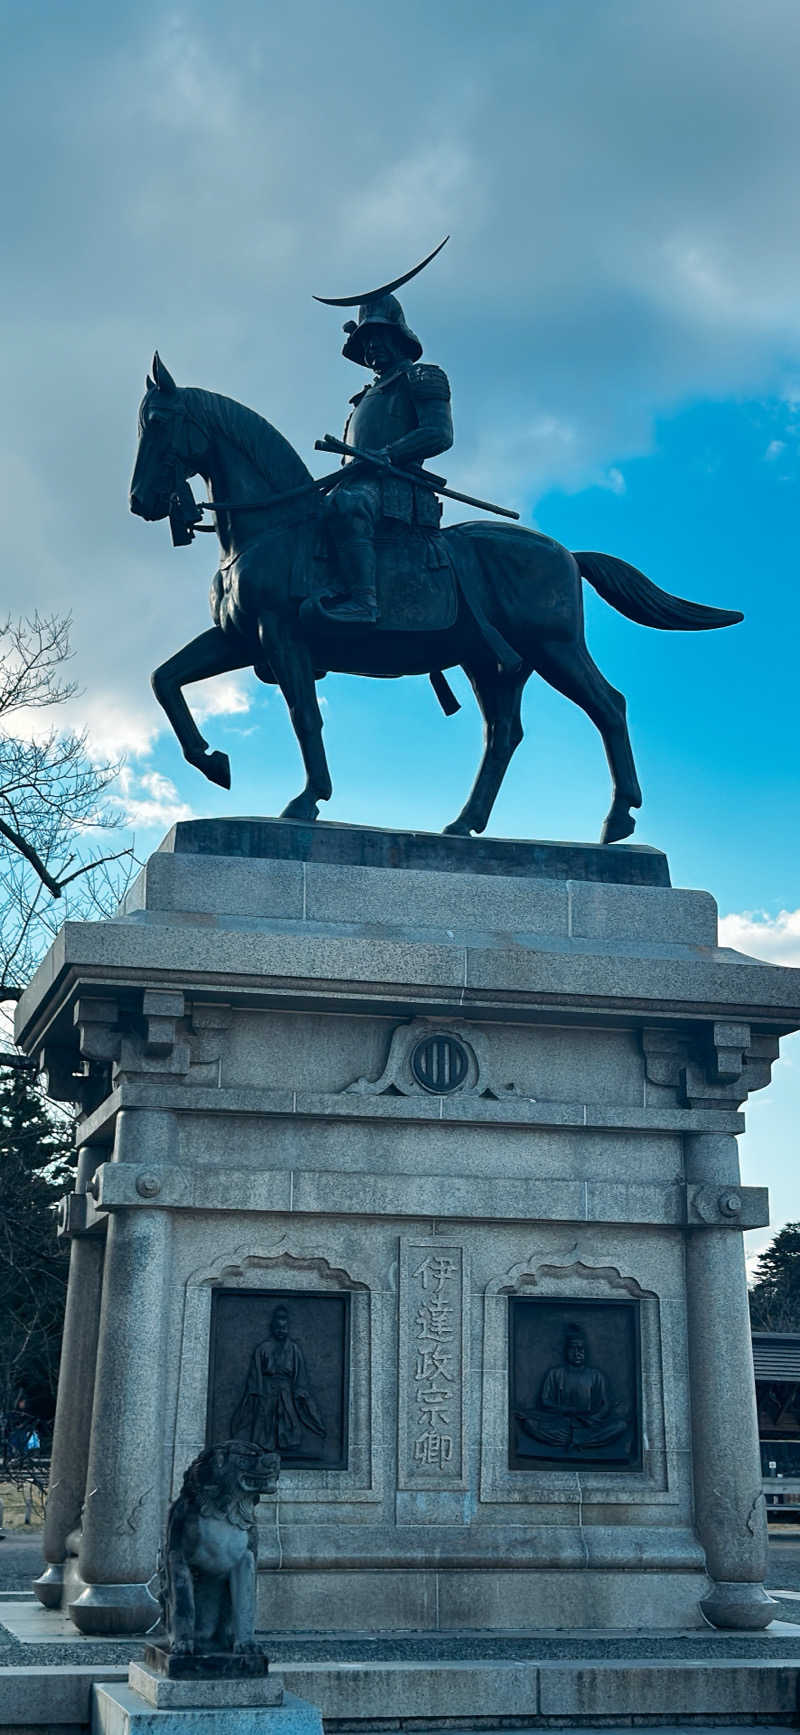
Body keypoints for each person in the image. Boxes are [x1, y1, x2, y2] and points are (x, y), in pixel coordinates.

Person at [314, 289, 453, 626]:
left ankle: (364, 601)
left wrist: (387, 455)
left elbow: (438, 433)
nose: (372, 346)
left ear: (398, 337)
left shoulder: (422, 377)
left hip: (395, 486)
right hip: (355, 482)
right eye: (366, 340)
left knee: (347, 506)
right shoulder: (364, 397)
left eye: (378, 336)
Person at [515, 1323, 629, 1453]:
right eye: (572, 1348)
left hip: (589, 1424)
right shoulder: (555, 1374)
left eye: (580, 1349)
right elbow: (545, 1401)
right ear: (566, 1351)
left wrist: (593, 1419)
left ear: (586, 1351)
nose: (577, 1353)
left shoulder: (596, 1375)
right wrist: (566, 1410)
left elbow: (605, 1405)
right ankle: (579, 1440)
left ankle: (577, 1440)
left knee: (620, 1426)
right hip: (561, 1423)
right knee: (529, 1424)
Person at [231, 1304, 325, 1455]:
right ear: (272, 1328)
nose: (281, 1331)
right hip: (267, 1388)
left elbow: (300, 1373)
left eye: (284, 1328)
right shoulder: (262, 1348)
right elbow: (256, 1372)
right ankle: (262, 1446)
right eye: (278, 1328)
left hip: (286, 1388)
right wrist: (257, 1390)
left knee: (288, 1415)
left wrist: (299, 1391)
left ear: (288, 1328)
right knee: (265, 1417)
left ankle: (289, 1445)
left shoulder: (293, 1349)